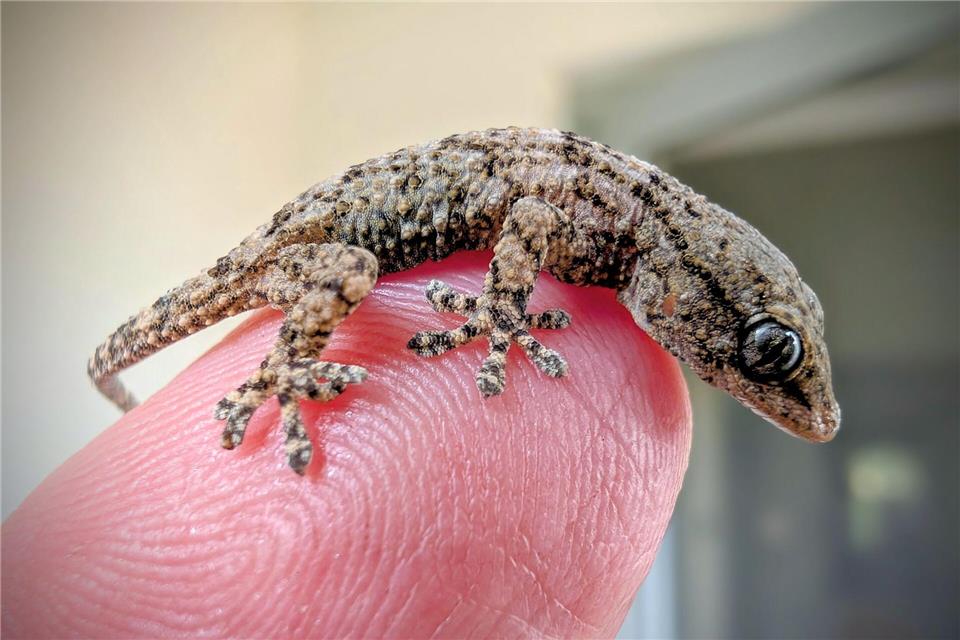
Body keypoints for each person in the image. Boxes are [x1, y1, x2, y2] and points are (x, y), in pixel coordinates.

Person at [2, 252, 691, 638]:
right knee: (352, 271)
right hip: (325, 248)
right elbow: (532, 220)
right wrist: (502, 311)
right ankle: (283, 363)